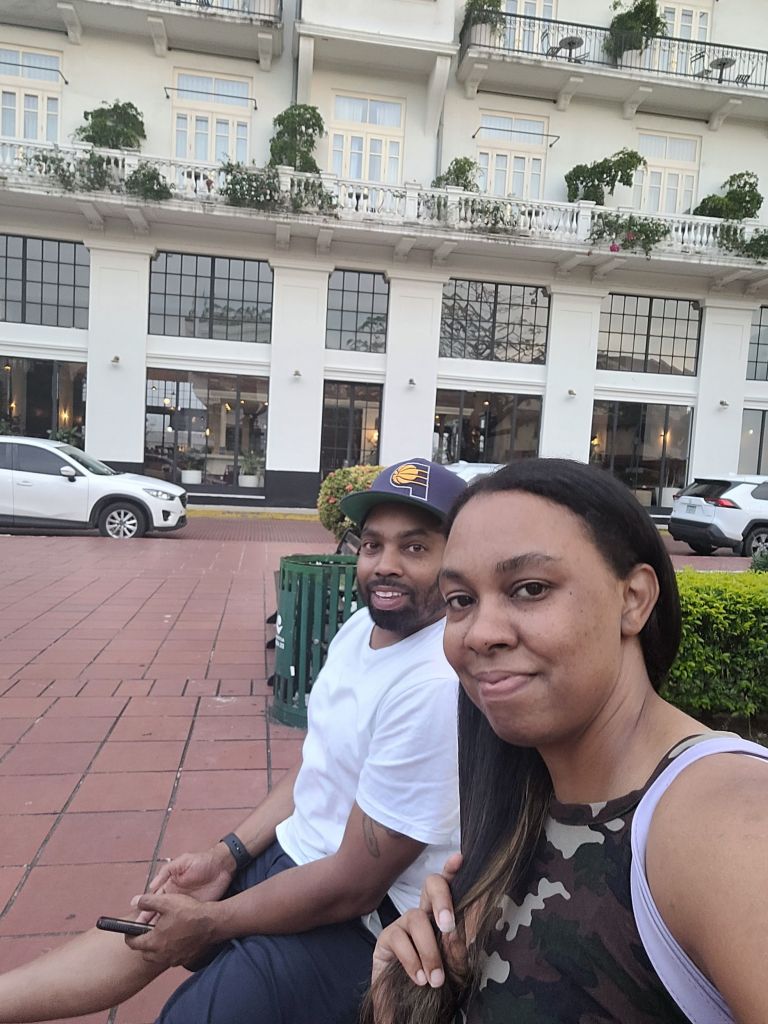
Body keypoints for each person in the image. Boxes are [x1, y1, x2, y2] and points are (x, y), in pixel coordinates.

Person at [0, 458, 466, 1024]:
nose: (385, 565)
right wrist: (227, 855)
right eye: (373, 545)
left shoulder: (435, 683)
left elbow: (353, 886)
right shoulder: (361, 627)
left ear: (458, 560)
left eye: (414, 548)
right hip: (293, 857)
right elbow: (320, 766)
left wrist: (213, 923)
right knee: (150, 926)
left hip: (364, 922)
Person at [365, 458, 768, 1024]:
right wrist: (407, 988)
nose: (481, 633)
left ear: (634, 599)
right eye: (460, 600)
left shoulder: (724, 823)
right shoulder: (521, 797)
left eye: (530, 589)